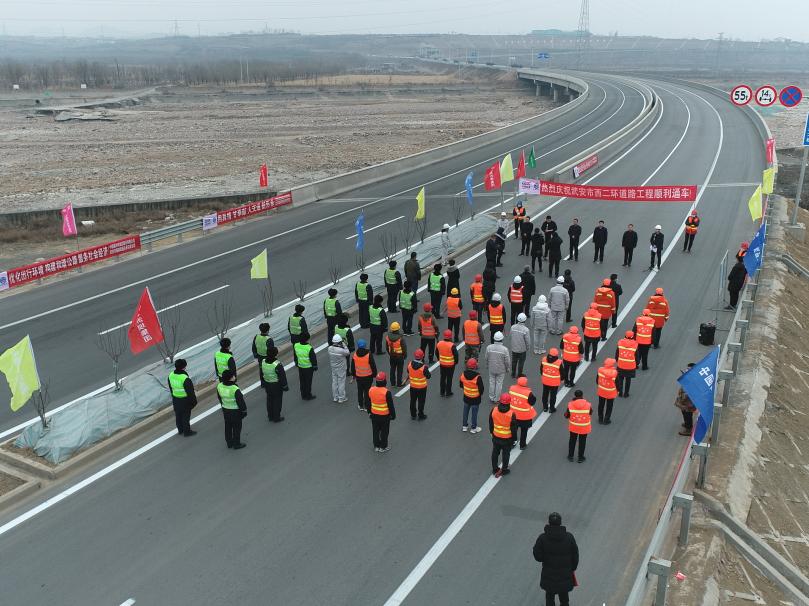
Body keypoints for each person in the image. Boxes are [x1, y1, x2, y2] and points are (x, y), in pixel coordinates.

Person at [533, 512, 580, 606]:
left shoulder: (542, 538)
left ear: (549, 522)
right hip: (564, 575)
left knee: (549, 598)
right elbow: (575, 555)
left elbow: (537, 556)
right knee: (564, 599)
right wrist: (572, 568)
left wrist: (545, 559)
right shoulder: (569, 537)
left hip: (549, 576)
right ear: (560, 522)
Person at [217, 369, 246, 449]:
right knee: (237, 427)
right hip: (235, 411)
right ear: (230, 378)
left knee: (228, 426)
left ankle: (229, 443)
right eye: (233, 376)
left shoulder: (219, 386)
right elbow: (240, 401)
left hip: (225, 410)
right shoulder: (234, 389)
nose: (234, 377)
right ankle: (237, 444)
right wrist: (244, 411)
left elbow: (219, 397)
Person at [490, 393, 517, 477]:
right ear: (509, 402)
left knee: (495, 453)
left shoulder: (493, 410)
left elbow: (491, 423)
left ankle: (495, 469)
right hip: (507, 439)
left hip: (496, 436)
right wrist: (514, 439)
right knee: (506, 454)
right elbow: (514, 429)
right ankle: (504, 470)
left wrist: (492, 433)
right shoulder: (511, 414)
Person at [168, 358, 197, 437]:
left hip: (176, 398)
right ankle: (187, 432)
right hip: (184, 400)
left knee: (178, 415)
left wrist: (174, 395)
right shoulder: (185, 378)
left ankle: (180, 430)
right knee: (185, 416)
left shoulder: (171, 375)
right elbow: (190, 392)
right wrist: (194, 402)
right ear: (184, 367)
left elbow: (170, 387)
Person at [368, 371, 396, 452]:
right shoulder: (386, 392)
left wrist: (369, 412)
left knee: (375, 431)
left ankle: (376, 446)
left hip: (374, 415)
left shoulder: (371, 390)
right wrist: (393, 416)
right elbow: (391, 406)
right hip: (384, 416)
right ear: (385, 381)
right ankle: (383, 447)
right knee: (384, 432)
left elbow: (368, 402)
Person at [508, 375, 538, 450]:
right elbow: (532, 402)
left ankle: (513, 442)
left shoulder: (511, 388)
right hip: (525, 416)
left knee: (513, 430)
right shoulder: (528, 393)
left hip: (513, 415)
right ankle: (522, 445)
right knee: (524, 431)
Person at [260, 346, 288, 422]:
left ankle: (270, 416)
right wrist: (285, 386)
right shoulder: (277, 364)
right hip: (276, 385)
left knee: (269, 400)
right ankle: (276, 417)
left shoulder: (263, 361)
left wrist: (263, 382)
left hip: (267, 384)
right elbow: (282, 376)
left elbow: (261, 373)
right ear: (276, 354)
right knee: (277, 401)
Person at [565, 389, 592, 462]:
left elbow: (566, 415)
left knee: (572, 440)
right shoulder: (588, 404)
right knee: (582, 441)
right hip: (584, 426)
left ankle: (570, 456)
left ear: (575, 396)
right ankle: (580, 457)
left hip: (574, 426)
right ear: (582, 396)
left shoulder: (570, 404)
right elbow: (590, 412)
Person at [460, 358, 485, 433]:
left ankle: (464, 426)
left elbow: (461, 385)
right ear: (475, 366)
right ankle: (473, 428)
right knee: (474, 413)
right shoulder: (478, 377)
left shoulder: (463, 375)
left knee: (465, 412)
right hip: (475, 398)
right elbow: (481, 388)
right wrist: (479, 394)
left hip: (466, 397)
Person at [351, 339, 377, 411]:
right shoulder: (368, 355)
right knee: (367, 391)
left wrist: (354, 375)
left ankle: (360, 405)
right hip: (368, 376)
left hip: (359, 376)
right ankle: (367, 406)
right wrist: (374, 374)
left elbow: (352, 367)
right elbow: (373, 365)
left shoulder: (355, 355)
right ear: (365, 346)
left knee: (360, 391)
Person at [485, 331, 511, 401]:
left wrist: (487, 365)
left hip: (491, 368)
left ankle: (491, 397)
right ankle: (497, 398)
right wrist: (507, 368)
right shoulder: (505, 349)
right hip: (501, 370)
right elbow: (507, 361)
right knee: (499, 384)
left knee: (492, 382)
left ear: (494, 338)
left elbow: (486, 358)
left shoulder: (489, 347)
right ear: (502, 339)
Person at [408, 349, 431, 420]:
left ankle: (413, 414)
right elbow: (428, 376)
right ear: (422, 357)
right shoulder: (424, 367)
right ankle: (420, 414)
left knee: (413, 400)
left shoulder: (409, 364)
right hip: (422, 387)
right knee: (421, 401)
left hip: (413, 386)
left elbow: (408, 371)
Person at [293, 333, 318, 400]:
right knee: (308, 382)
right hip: (308, 368)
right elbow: (313, 359)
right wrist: (315, 366)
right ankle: (308, 395)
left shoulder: (296, 345)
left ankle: (303, 395)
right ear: (307, 339)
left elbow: (295, 355)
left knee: (302, 381)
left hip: (300, 366)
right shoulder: (309, 348)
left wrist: (296, 362)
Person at [675, 363, 697, 436]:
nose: (687, 370)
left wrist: (683, 398)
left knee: (687, 414)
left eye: (688, 369)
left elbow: (689, 393)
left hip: (688, 402)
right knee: (684, 413)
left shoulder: (694, 379)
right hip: (685, 401)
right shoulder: (690, 377)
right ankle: (687, 424)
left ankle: (688, 429)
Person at [615, 331, 638, 398]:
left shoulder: (620, 343)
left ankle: (620, 392)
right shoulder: (634, 345)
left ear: (625, 336)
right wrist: (637, 363)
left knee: (620, 379)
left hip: (621, 365)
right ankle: (626, 393)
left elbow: (617, 353)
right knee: (628, 380)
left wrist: (617, 360)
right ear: (632, 337)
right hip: (630, 366)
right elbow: (636, 356)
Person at [436, 330, 459, 397]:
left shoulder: (439, 343)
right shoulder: (452, 345)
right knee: (449, 378)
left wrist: (439, 359)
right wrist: (455, 362)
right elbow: (456, 355)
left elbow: (436, 352)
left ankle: (442, 392)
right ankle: (448, 392)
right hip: (450, 365)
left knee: (442, 378)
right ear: (450, 337)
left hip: (442, 364)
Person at [328, 334, 350, 403]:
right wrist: (344, 345)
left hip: (333, 367)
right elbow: (348, 353)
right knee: (341, 382)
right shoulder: (341, 350)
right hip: (341, 368)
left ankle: (335, 397)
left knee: (334, 382)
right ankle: (341, 398)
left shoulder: (329, 348)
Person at [596, 358, 618, 424]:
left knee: (601, 405)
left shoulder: (600, 370)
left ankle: (600, 418)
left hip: (602, 391)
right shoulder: (615, 372)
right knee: (609, 406)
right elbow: (617, 383)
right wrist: (618, 390)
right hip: (611, 392)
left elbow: (597, 381)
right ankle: (606, 419)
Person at [540, 348, 563, 413]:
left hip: (545, 381)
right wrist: (562, 379)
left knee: (545, 394)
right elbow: (562, 372)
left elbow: (541, 369)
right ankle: (551, 408)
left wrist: (544, 375)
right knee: (553, 396)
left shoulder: (544, 359)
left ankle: (545, 407)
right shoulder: (558, 362)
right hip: (554, 383)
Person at [385, 322, 407, 387]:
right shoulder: (400, 338)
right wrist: (405, 355)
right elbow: (404, 348)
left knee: (392, 369)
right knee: (400, 370)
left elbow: (387, 347)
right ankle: (399, 383)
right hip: (400, 356)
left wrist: (390, 353)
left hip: (392, 356)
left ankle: (392, 383)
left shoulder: (387, 337)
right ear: (398, 329)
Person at [510, 312, 531, 377]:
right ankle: (519, 374)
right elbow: (528, 341)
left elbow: (510, 336)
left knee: (514, 361)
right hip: (522, 349)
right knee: (521, 362)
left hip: (514, 348)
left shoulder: (513, 327)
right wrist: (528, 347)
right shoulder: (526, 330)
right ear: (524, 320)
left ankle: (513, 373)